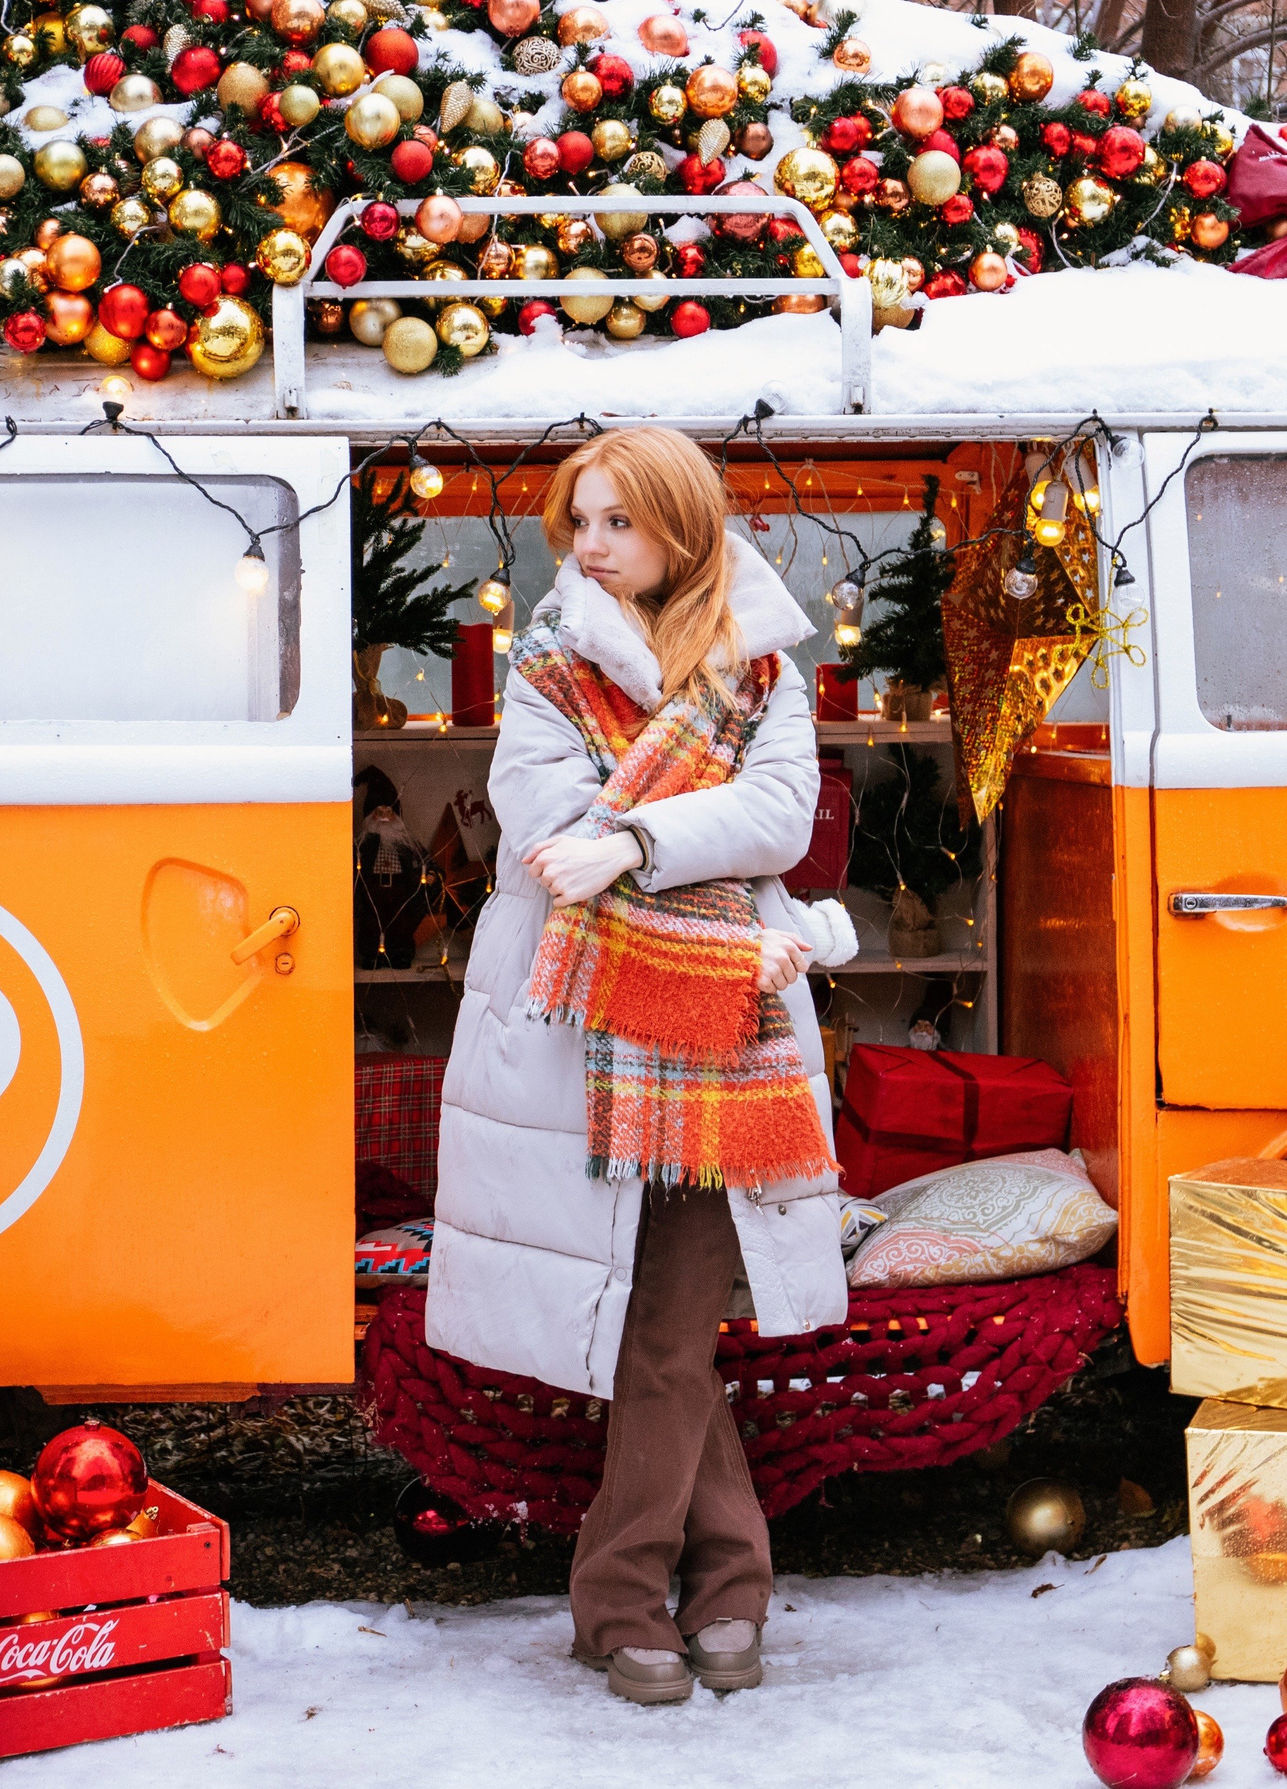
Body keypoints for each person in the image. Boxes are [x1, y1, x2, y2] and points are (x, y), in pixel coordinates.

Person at [426, 426, 857, 1705]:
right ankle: (716, 1588)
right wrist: (652, 838)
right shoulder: (549, 660)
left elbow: (782, 815)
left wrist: (629, 844)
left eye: (618, 523)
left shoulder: (764, 664)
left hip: (721, 1027)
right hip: (584, 1036)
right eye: (582, 523)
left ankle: (631, 1598)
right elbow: (543, 828)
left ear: (681, 526)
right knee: (658, 1323)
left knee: (665, 1322)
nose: (592, 548)